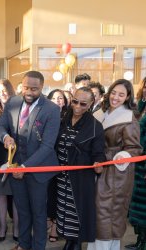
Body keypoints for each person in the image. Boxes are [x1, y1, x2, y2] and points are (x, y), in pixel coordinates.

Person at [0, 70, 61, 250]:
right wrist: (5, 137)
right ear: (21, 86)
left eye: (34, 89)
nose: (29, 92)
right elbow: (1, 126)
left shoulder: (52, 109)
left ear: (42, 87)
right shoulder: (12, 102)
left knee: (39, 213)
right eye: (26, 87)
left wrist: (25, 167)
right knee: (23, 211)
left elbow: (48, 146)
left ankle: (38, 247)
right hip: (15, 168)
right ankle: (23, 245)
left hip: (38, 171)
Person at [88, 79, 143, 250]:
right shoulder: (100, 112)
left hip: (116, 174)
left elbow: (135, 148)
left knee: (107, 215)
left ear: (127, 97)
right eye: (113, 92)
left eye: (121, 94)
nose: (115, 97)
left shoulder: (129, 119)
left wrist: (120, 156)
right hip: (98, 168)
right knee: (99, 215)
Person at [55, 87, 106, 250]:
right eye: (74, 101)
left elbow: (99, 153)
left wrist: (98, 164)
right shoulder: (63, 118)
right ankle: (68, 240)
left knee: (76, 210)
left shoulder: (95, 126)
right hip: (61, 175)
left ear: (91, 104)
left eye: (83, 104)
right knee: (63, 208)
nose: (77, 106)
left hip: (80, 177)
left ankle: (75, 242)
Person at [0, 79, 19, 242]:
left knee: (16, 195)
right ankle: (2, 226)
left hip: (17, 159)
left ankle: (16, 227)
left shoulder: (20, 107)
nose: (2, 93)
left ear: (10, 89)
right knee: (0, 195)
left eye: (5, 90)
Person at [46, 88, 69, 242]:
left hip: (64, 164)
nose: (58, 100)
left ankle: (55, 227)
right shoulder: (46, 115)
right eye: (54, 98)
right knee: (48, 195)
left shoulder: (70, 117)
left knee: (58, 196)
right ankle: (50, 221)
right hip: (47, 161)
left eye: (61, 98)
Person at [127, 76, 146, 250]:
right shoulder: (139, 107)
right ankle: (140, 239)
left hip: (144, 164)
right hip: (137, 165)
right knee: (137, 207)